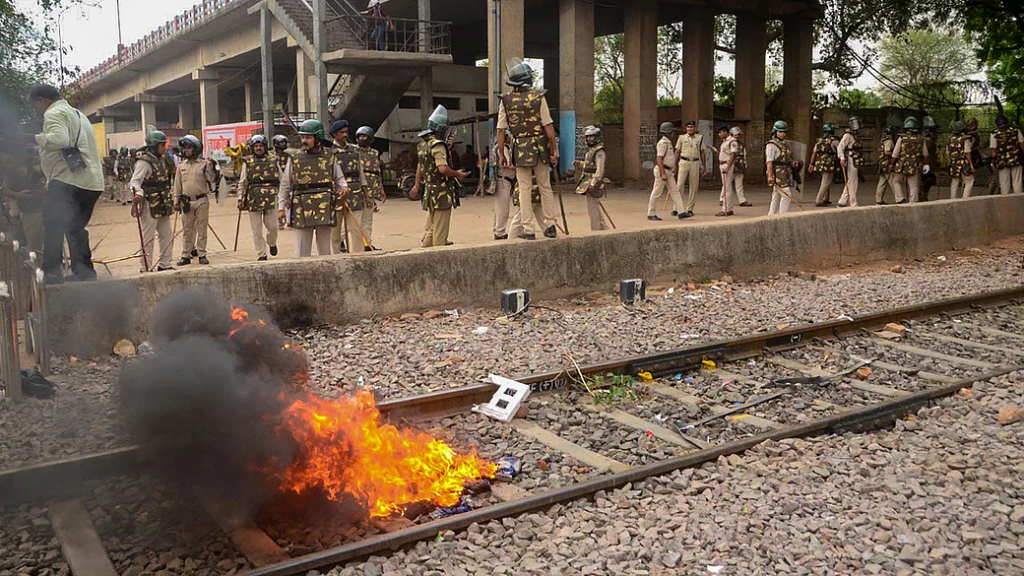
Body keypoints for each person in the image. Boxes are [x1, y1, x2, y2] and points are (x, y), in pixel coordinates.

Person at [28, 84, 105, 284]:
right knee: (75, 226)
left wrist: (36, 138)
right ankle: (84, 271)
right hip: (91, 182)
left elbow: (60, 139)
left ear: (42, 101)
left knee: (53, 224)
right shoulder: (78, 114)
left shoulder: (53, 113)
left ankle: (52, 272)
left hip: (69, 181)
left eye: (36, 105)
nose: (37, 110)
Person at [496, 60, 559, 240]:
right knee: (545, 187)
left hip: (520, 149)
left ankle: (529, 228)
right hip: (539, 148)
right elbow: (549, 128)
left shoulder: (505, 101)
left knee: (524, 188)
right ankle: (550, 224)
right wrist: (553, 151)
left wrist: (502, 155)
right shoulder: (539, 97)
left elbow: (501, 131)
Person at [278, 120, 351, 257]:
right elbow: (285, 185)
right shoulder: (294, 158)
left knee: (325, 250)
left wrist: (344, 188)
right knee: (302, 251)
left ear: (317, 138)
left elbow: (339, 178)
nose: (304, 140)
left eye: (308, 137)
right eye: (303, 137)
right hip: (301, 206)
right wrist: (281, 207)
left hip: (324, 205)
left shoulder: (329, 157)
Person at [411, 105, 466, 247]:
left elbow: (421, 167)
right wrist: (457, 174)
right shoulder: (438, 146)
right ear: (442, 129)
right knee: (440, 229)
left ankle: (424, 253)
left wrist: (417, 185)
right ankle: (437, 258)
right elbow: (442, 169)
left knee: (431, 227)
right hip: (441, 192)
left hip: (429, 191)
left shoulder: (423, 145)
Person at [130, 130, 176, 272]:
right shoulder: (144, 162)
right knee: (148, 238)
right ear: (154, 146)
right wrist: (138, 193)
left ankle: (165, 264)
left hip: (164, 202)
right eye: (162, 145)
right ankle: (145, 267)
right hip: (150, 202)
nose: (165, 147)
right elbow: (134, 182)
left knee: (167, 235)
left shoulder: (164, 159)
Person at [173, 135, 217, 266]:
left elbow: (212, 180)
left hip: (201, 200)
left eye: (189, 148)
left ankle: (202, 253)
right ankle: (186, 254)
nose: (186, 150)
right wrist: (176, 201)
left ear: (196, 149)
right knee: (187, 230)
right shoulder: (181, 167)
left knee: (202, 229)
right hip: (186, 201)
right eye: (185, 148)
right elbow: (177, 185)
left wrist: (210, 167)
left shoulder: (204, 164)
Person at [236, 135, 280, 261]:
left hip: (271, 195)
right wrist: (240, 198)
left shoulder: (274, 160)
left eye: (261, 146)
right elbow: (243, 181)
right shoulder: (247, 162)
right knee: (256, 229)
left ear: (265, 147)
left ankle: (272, 243)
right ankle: (261, 253)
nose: (258, 148)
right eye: (256, 146)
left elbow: (281, 179)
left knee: (273, 227)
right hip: (253, 197)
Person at [328, 120, 369, 254]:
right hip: (336, 195)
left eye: (346, 132)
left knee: (356, 230)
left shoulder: (355, 150)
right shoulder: (329, 153)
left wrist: (366, 194)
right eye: (341, 132)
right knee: (335, 234)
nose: (345, 135)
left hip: (355, 194)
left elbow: (361, 173)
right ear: (334, 134)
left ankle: (358, 258)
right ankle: (336, 258)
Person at [0, 140, 46, 251]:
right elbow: (5, 188)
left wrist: (47, 186)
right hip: (27, 210)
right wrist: (17, 195)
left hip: (45, 206)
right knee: (31, 245)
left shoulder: (40, 162)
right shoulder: (11, 169)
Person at [574, 125, 609, 231]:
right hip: (587, 181)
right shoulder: (592, 150)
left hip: (594, 182)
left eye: (592, 137)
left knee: (592, 208)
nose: (589, 139)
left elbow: (599, 169)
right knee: (594, 206)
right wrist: (580, 164)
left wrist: (594, 183)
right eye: (588, 137)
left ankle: (596, 229)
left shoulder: (599, 151)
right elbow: (589, 164)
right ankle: (603, 227)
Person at [356, 126, 385, 250]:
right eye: (360, 136)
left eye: (364, 136)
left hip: (371, 189)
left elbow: (377, 172)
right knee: (356, 220)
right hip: (358, 189)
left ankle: (367, 244)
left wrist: (381, 189)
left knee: (367, 219)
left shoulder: (374, 153)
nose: (362, 138)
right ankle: (348, 242)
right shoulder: (354, 152)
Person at [647, 122, 684, 221]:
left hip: (668, 171)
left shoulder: (668, 142)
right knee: (657, 192)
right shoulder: (663, 143)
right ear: (668, 132)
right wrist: (662, 173)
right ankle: (651, 213)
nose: (673, 134)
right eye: (672, 132)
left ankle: (681, 212)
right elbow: (659, 159)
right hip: (662, 170)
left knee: (675, 191)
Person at [892, 116, 930, 203]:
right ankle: (913, 203)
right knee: (914, 185)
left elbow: (895, 154)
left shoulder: (901, 138)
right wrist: (926, 165)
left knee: (896, 181)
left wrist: (891, 164)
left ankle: (900, 199)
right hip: (915, 165)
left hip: (901, 165)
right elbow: (925, 155)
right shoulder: (921, 139)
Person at [765, 120, 800, 215]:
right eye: (780, 132)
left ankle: (771, 215)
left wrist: (793, 162)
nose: (783, 134)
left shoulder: (784, 144)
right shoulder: (771, 145)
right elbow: (769, 161)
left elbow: (787, 158)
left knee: (776, 195)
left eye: (784, 132)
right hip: (777, 173)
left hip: (785, 172)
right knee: (787, 195)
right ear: (775, 132)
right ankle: (782, 216)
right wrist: (770, 176)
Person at [674, 120, 705, 218]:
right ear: (685, 128)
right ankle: (677, 208)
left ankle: (690, 208)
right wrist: (674, 165)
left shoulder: (700, 138)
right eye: (688, 127)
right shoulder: (681, 138)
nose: (690, 129)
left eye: (691, 127)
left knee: (694, 186)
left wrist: (704, 166)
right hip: (683, 162)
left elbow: (702, 152)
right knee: (679, 185)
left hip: (695, 162)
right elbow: (677, 152)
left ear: (694, 128)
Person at [717, 126, 750, 216]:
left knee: (727, 187)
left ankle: (726, 209)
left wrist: (727, 167)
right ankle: (728, 207)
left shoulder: (732, 141)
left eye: (720, 132)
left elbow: (733, 154)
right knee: (726, 186)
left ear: (725, 132)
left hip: (727, 165)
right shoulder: (726, 142)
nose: (719, 135)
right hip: (724, 164)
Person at [990, 114, 1024, 195]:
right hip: (1016, 159)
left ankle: (1005, 202)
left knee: (1004, 183)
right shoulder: (1016, 130)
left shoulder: (994, 133)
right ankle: (1018, 200)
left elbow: (994, 149)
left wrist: (992, 162)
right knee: (1017, 181)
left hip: (1002, 161)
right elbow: (1022, 144)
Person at [807, 123, 839, 207]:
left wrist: (811, 164)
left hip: (819, 164)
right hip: (828, 164)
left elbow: (814, 152)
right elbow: (840, 151)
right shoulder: (834, 141)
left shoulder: (819, 141)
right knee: (826, 182)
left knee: (826, 180)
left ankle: (826, 198)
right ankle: (819, 200)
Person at [836, 116, 864, 207]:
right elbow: (840, 146)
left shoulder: (855, 135)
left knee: (851, 181)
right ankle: (853, 202)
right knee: (852, 182)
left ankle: (842, 200)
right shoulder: (847, 135)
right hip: (851, 159)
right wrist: (842, 158)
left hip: (856, 159)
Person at [492, 131, 515, 239]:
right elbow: (508, 164)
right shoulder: (503, 148)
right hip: (503, 180)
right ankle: (499, 232)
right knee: (503, 209)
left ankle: (497, 230)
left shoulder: (499, 147)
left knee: (499, 208)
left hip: (503, 180)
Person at [947, 121, 976, 200]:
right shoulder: (964, 139)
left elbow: (948, 152)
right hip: (964, 164)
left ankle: (953, 200)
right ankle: (965, 199)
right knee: (969, 180)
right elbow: (967, 153)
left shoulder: (950, 139)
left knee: (954, 182)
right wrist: (971, 165)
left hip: (953, 163)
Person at [875, 125, 902, 204]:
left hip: (882, 162)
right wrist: (896, 153)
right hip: (886, 163)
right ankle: (899, 198)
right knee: (892, 180)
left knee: (882, 182)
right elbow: (887, 152)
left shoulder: (883, 139)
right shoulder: (888, 141)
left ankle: (878, 199)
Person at [272, 135, 290, 229]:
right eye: (281, 143)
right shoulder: (272, 157)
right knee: (279, 201)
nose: (283, 145)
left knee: (289, 201)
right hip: (277, 181)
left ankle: (290, 220)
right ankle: (279, 221)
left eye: (284, 143)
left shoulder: (289, 156)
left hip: (288, 180)